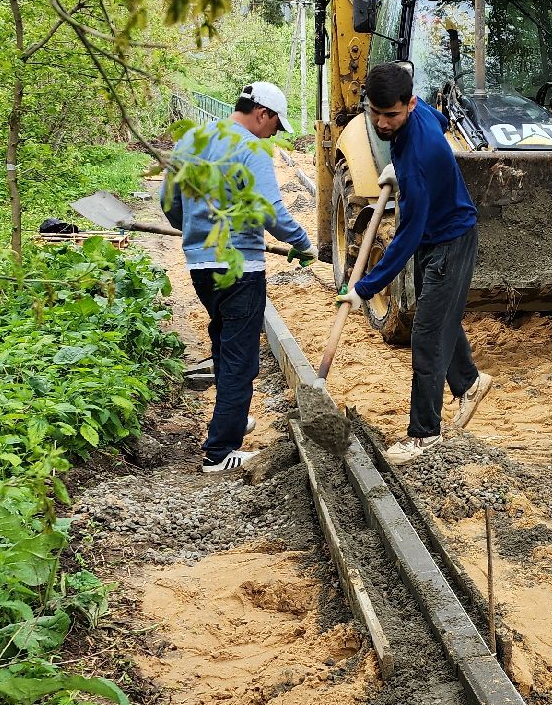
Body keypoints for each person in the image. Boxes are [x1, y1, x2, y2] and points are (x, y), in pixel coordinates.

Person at [341, 62, 494, 465]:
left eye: (390, 115)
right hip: (433, 236)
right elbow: (439, 116)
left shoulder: (421, 154)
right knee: (438, 318)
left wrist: (366, 286)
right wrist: (397, 170)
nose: (381, 122)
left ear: (408, 104)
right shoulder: (417, 111)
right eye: (374, 112)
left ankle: (424, 434)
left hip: (449, 239)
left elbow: (406, 235)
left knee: (426, 332)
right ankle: (470, 382)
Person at [167, 81, 314, 473]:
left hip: (200, 266)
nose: (272, 134)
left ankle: (230, 416)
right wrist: (303, 242)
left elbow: (170, 202)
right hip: (241, 268)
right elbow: (271, 213)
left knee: (222, 338)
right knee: (240, 358)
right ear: (262, 113)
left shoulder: (194, 139)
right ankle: (221, 451)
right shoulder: (250, 148)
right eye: (274, 125)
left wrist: (194, 232)